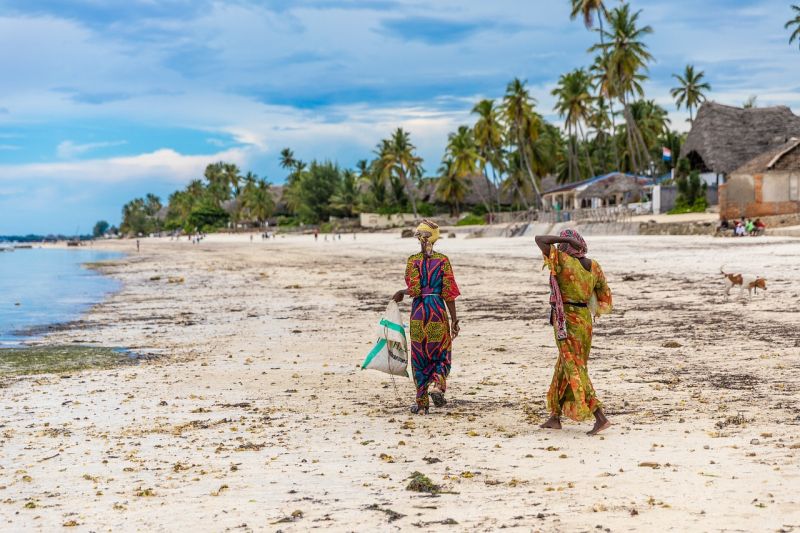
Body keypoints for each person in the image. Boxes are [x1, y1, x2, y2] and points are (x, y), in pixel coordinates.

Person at [535, 229, 613, 436]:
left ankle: (599, 415)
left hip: (566, 319)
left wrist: (563, 238)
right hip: (584, 320)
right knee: (565, 364)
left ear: (568, 244)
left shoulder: (561, 260)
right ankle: (554, 416)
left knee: (574, 366)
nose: (560, 246)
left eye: (564, 243)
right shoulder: (593, 265)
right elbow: (604, 296)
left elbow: (539, 239)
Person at [393, 220, 460, 415]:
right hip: (437, 311)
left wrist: (400, 292)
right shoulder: (443, 261)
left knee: (420, 355)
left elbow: (414, 289)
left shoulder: (413, 260)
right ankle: (437, 386)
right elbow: (449, 293)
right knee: (440, 351)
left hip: (418, 313)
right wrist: (454, 320)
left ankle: (421, 403)